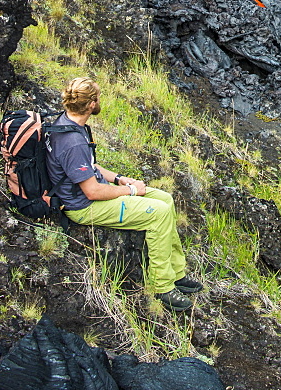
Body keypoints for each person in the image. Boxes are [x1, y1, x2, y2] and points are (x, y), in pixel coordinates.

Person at [45, 76, 202, 311]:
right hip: (83, 207)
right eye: (98, 98)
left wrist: (119, 178)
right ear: (91, 105)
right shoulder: (72, 142)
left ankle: (177, 273)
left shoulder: (68, 123)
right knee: (158, 213)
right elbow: (93, 191)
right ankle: (163, 287)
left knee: (165, 199)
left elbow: (90, 166)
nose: (100, 101)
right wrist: (130, 190)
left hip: (89, 192)